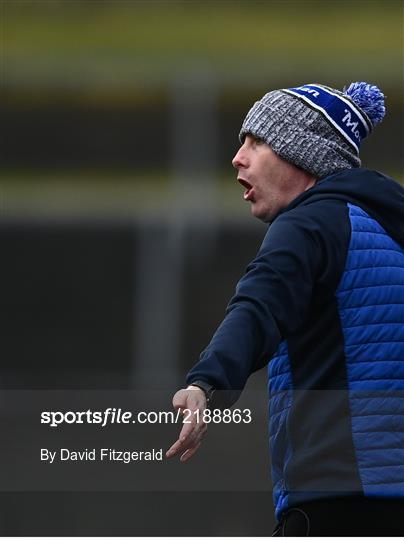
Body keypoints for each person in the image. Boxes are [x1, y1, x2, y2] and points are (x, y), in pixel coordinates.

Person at [166, 81, 404, 535]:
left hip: (337, 497)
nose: (239, 157)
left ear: (303, 153)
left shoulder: (310, 224)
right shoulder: (391, 230)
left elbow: (260, 305)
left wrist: (207, 381)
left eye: (257, 141)